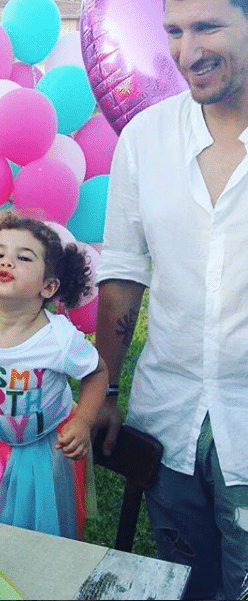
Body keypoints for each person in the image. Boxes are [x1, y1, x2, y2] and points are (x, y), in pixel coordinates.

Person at [95, 0, 248, 597]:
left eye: (208, 26)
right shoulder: (146, 137)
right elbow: (123, 270)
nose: (187, 52)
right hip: (170, 418)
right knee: (184, 585)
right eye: (175, 31)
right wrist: (106, 388)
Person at [0, 215, 108, 539]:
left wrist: (84, 421)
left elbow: (96, 373)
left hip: (41, 453)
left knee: (33, 531)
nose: (7, 262)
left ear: (48, 286)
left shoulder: (58, 338)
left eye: (24, 258)